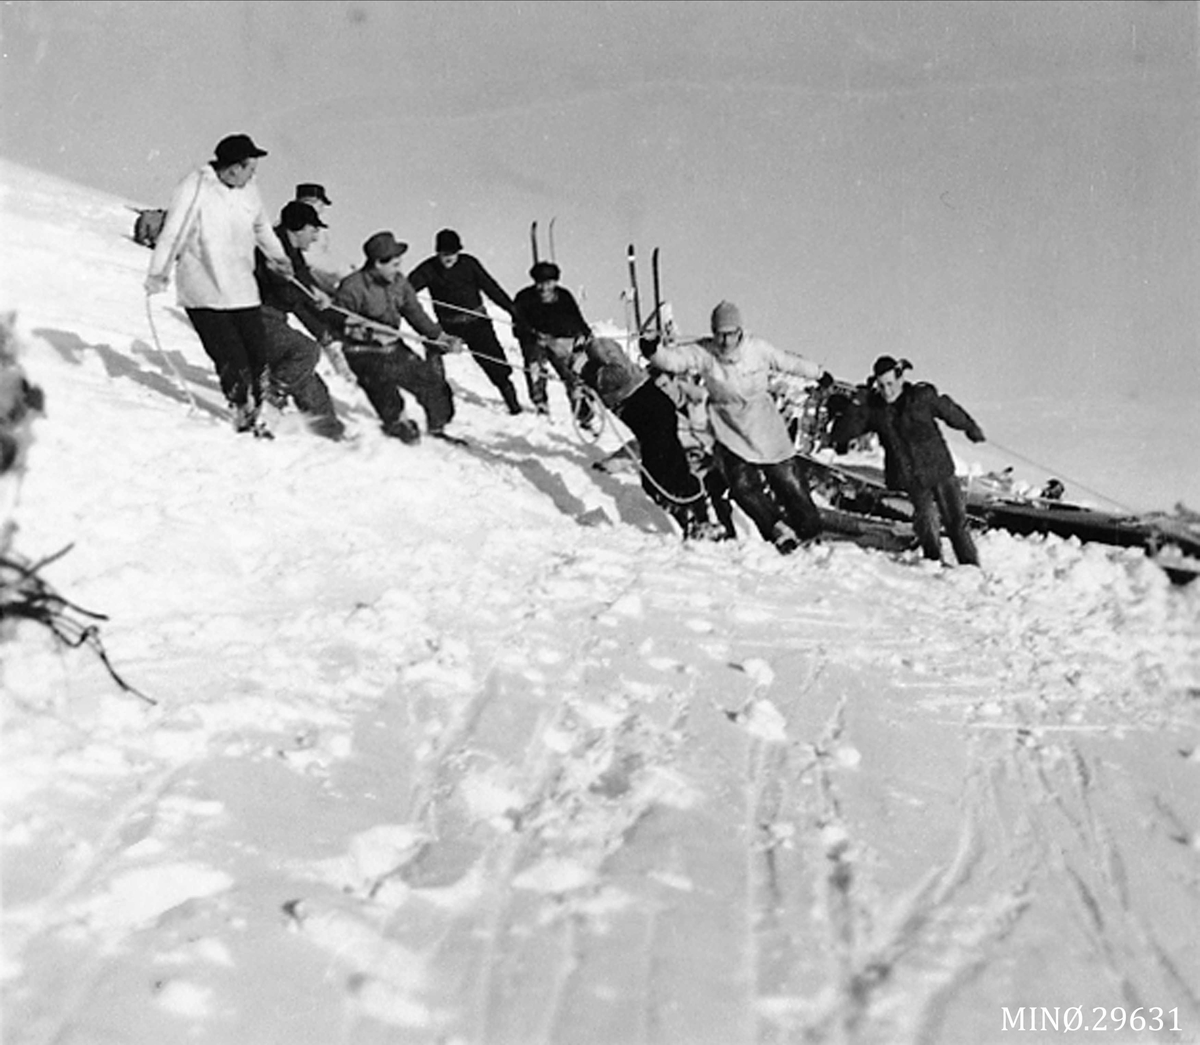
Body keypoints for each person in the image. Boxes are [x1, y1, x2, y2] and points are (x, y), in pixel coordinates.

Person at [643, 301, 827, 553]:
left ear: (740, 331)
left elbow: (788, 362)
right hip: (728, 424)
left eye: (730, 334)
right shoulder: (705, 353)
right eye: (720, 334)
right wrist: (652, 350)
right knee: (741, 486)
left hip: (762, 421)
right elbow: (674, 361)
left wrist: (818, 373)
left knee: (787, 479)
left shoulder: (757, 349)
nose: (726, 340)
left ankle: (810, 531)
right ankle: (777, 529)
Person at [145, 133, 293, 436]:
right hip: (204, 288)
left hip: (241, 287)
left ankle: (262, 408)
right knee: (231, 357)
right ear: (233, 168)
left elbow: (261, 226)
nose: (254, 173)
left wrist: (279, 257)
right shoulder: (196, 187)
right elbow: (173, 233)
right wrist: (158, 274)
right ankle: (242, 410)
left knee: (257, 354)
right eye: (250, 167)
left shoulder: (249, 189)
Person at [831, 355, 985, 566]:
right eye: (881, 385)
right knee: (927, 519)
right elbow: (842, 433)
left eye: (890, 384)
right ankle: (933, 562)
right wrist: (858, 404)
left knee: (956, 521)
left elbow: (949, 410)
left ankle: (969, 566)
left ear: (900, 379)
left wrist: (970, 427)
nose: (887, 391)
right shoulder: (874, 410)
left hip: (940, 469)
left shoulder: (921, 397)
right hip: (911, 476)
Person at [571, 336, 714, 538]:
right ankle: (696, 520)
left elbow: (620, 373)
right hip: (649, 414)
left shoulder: (598, 346)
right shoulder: (589, 358)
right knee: (667, 473)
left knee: (659, 476)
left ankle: (697, 520)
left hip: (650, 410)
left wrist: (585, 370)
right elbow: (606, 383)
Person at [333, 232, 463, 443]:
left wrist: (440, 337)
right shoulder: (352, 287)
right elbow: (335, 321)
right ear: (377, 263)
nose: (398, 269)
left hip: (392, 347)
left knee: (432, 384)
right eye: (394, 265)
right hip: (362, 352)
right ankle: (396, 423)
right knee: (382, 384)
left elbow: (415, 313)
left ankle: (437, 429)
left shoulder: (399, 283)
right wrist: (360, 331)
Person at [253, 200, 345, 440]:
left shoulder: (293, 253)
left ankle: (331, 435)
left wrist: (341, 318)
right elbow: (287, 291)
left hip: (273, 320)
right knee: (306, 351)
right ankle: (270, 400)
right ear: (299, 227)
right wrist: (311, 295)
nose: (315, 238)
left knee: (310, 384)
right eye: (313, 230)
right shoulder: (273, 248)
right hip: (253, 318)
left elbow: (306, 292)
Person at [407, 229, 523, 415]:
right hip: (449, 326)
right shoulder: (428, 269)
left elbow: (491, 287)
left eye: (453, 253)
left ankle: (514, 405)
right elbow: (406, 290)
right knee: (432, 347)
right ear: (437, 253)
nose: (449, 258)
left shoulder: (469, 264)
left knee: (496, 365)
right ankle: (437, 392)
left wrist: (512, 310)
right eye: (444, 254)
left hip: (477, 324)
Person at [512, 260, 592, 418]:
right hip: (535, 341)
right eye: (540, 283)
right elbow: (518, 326)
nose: (544, 288)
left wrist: (585, 335)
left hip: (559, 341)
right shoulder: (524, 298)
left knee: (572, 375)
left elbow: (577, 320)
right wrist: (533, 337)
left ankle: (583, 414)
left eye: (548, 283)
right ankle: (540, 404)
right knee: (535, 369)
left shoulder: (564, 297)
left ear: (555, 282)